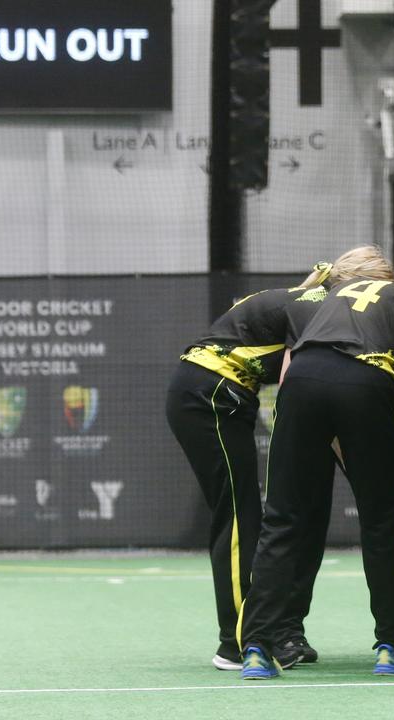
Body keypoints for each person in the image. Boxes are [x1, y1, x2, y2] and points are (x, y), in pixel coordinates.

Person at [237, 247, 394, 679]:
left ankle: (258, 648)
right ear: (385, 274)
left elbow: (288, 368)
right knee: (380, 522)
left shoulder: (319, 297)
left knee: (281, 518)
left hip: (302, 381)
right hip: (366, 378)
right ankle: (392, 647)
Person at [164, 260, 331, 671]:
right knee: (239, 516)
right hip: (210, 394)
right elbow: (297, 382)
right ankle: (239, 641)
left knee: (252, 514)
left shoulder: (314, 302)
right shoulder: (317, 304)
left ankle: (277, 629)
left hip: (222, 395)